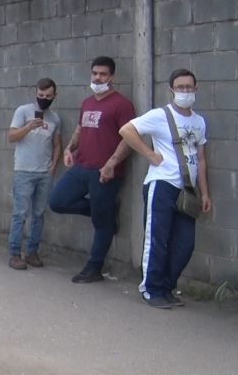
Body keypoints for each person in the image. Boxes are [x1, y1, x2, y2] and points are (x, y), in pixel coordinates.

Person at [119, 69, 212, 309]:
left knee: (185, 244)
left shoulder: (199, 121)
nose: (185, 91)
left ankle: (167, 287)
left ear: (196, 89)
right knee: (157, 240)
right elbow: (127, 130)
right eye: (180, 87)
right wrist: (150, 155)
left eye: (189, 87)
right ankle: (151, 289)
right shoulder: (162, 115)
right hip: (162, 185)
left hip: (188, 191)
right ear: (171, 91)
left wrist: (205, 192)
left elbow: (200, 159)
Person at [49, 56, 137, 283]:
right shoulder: (88, 102)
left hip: (105, 173)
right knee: (57, 201)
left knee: (101, 223)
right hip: (81, 167)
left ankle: (94, 267)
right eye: (95, 73)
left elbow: (129, 140)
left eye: (103, 74)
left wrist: (110, 165)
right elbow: (80, 130)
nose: (98, 78)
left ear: (112, 77)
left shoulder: (122, 104)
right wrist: (69, 149)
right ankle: (106, 211)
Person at [6, 78, 63, 270]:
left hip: (45, 173)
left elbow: (57, 144)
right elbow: (11, 137)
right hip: (24, 171)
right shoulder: (23, 111)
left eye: (48, 96)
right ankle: (14, 253)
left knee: (39, 214)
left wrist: (54, 166)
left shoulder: (55, 118)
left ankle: (32, 252)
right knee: (20, 213)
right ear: (35, 93)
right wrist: (28, 127)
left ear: (54, 95)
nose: (44, 99)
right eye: (41, 95)